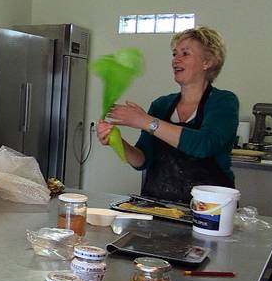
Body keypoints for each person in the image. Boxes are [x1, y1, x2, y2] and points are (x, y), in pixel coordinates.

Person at [97, 26, 238, 203]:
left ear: (207, 62)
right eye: (174, 54)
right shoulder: (161, 105)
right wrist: (116, 140)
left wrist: (145, 121)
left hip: (210, 210)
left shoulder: (223, 102)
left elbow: (204, 145)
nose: (175, 60)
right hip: (159, 208)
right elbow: (142, 160)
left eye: (185, 54)